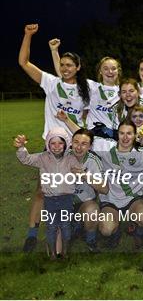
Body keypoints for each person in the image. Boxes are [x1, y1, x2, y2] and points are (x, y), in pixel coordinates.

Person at [18, 24, 90, 253]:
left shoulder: (85, 91)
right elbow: (24, 63)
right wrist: (28, 36)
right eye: (63, 64)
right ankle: (32, 234)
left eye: (70, 65)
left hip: (73, 150)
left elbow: (84, 125)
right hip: (51, 150)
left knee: (74, 192)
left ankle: (73, 227)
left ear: (78, 68)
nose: (65, 68)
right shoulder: (51, 83)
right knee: (43, 191)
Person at [92, 120, 143, 249]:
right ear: (117, 134)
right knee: (106, 229)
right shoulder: (105, 147)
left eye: (129, 134)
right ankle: (115, 233)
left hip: (133, 200)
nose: (125, 137)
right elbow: (82, 136)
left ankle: (138, 231)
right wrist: (66, 120)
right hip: (110, 200)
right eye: (122, 133)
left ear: (135, 135)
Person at [14, 128, 81, 259]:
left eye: (60, 143)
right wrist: (21, 148)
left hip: (66, 199)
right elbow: (26, 159)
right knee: (51, 227)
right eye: (52, 143)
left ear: (66, 144)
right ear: (48, 145)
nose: (56, 147)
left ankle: (65, 252)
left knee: (65, 226)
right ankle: (52, 254)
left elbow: (79, 170)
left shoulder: (71, 159)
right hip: (50, 199)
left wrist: (78, 173)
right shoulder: (42, 158)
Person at [50, 42, 121, 131]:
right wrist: (54, 51)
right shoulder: (92, 87)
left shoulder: (124, 91)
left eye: (113, 68)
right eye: (105, 68)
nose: (110, 71)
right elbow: (63, 74)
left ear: (118, 70)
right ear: (100, 71)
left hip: (116, 136)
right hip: (95, 138)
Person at [68, 128, 109, 253]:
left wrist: (85, 176)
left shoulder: (93, 161)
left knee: (92, 210)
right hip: (64, 202)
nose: (79, 147)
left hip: (84, 203)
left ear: (90, 147)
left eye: (84, 144)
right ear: (71, 142)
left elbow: (104, 189)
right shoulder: (62, 157)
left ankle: (90, 239)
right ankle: (73, 226)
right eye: (76, 142)